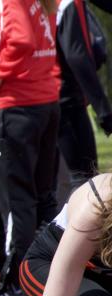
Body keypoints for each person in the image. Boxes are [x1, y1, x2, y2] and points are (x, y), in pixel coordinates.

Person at [0, 0, 60, 296]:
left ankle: (17, 286)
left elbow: (21, 40)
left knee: (16, 202)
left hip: (17, 105)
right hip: (44, 101)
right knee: (42, 198)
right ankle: (50, 279)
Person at [54, 0, 112, 191]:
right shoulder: (67, 3)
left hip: (50, 98)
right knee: (84, 179)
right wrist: (103, 110)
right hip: (65, 100)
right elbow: (77, 56)